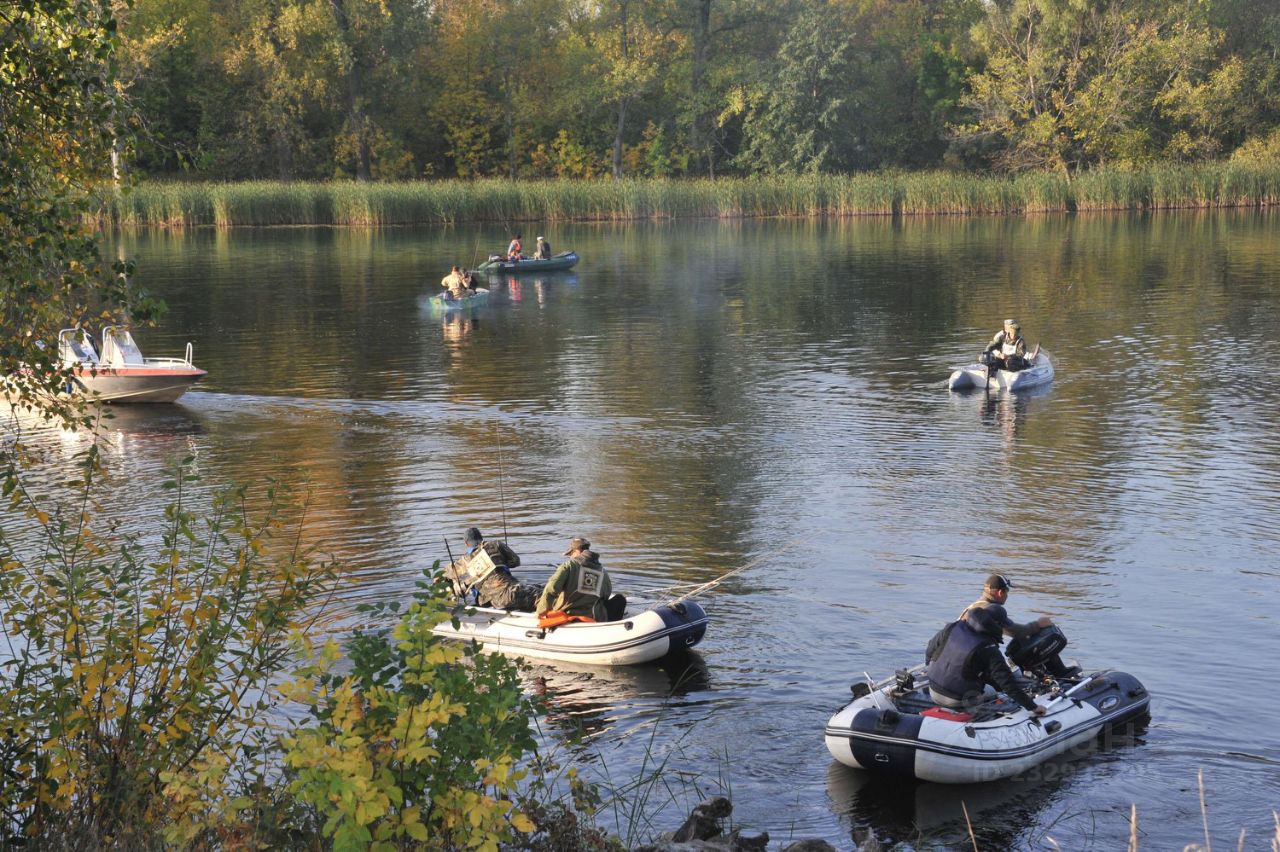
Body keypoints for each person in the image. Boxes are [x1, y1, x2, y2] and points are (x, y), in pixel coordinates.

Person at [925, 605, 1046, 715]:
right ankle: (983, 715)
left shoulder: (952, 627)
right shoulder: (989, 648)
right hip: (955, 700)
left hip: (932, 690)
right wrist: (1033, 707)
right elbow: (1007, 684)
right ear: (997, 625)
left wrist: (931, 672)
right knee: (994, 690)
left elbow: (930, 650)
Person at [964, 574, 1079, 678]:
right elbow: (1018, 632)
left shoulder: (972, 607)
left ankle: (1038, 673)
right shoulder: (993, 609)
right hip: (978, 662)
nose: (1007, 595)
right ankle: (1059, 673)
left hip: (965, 658)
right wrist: (1039, 624)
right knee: (1038, 637)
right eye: (1007, 591)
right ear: (1000, 593)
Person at [451, 527, 541, 611]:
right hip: (510, 594)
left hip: (489, 602)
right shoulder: (495, 545)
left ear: (466, 543)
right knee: (545, 594)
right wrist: (501, 561)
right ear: (481, 538)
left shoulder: (463, 563)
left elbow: (454, 582)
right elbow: (516, 562)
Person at [536, 536, 612, 622]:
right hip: (593, 617)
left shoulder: (568, 566)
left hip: (567, 616)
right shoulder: (603, 571)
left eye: (570, 554)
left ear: (577, 551)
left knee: (535, 594)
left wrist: (541, 613)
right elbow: (606, 594)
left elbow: (550, 590)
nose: (570, 557)